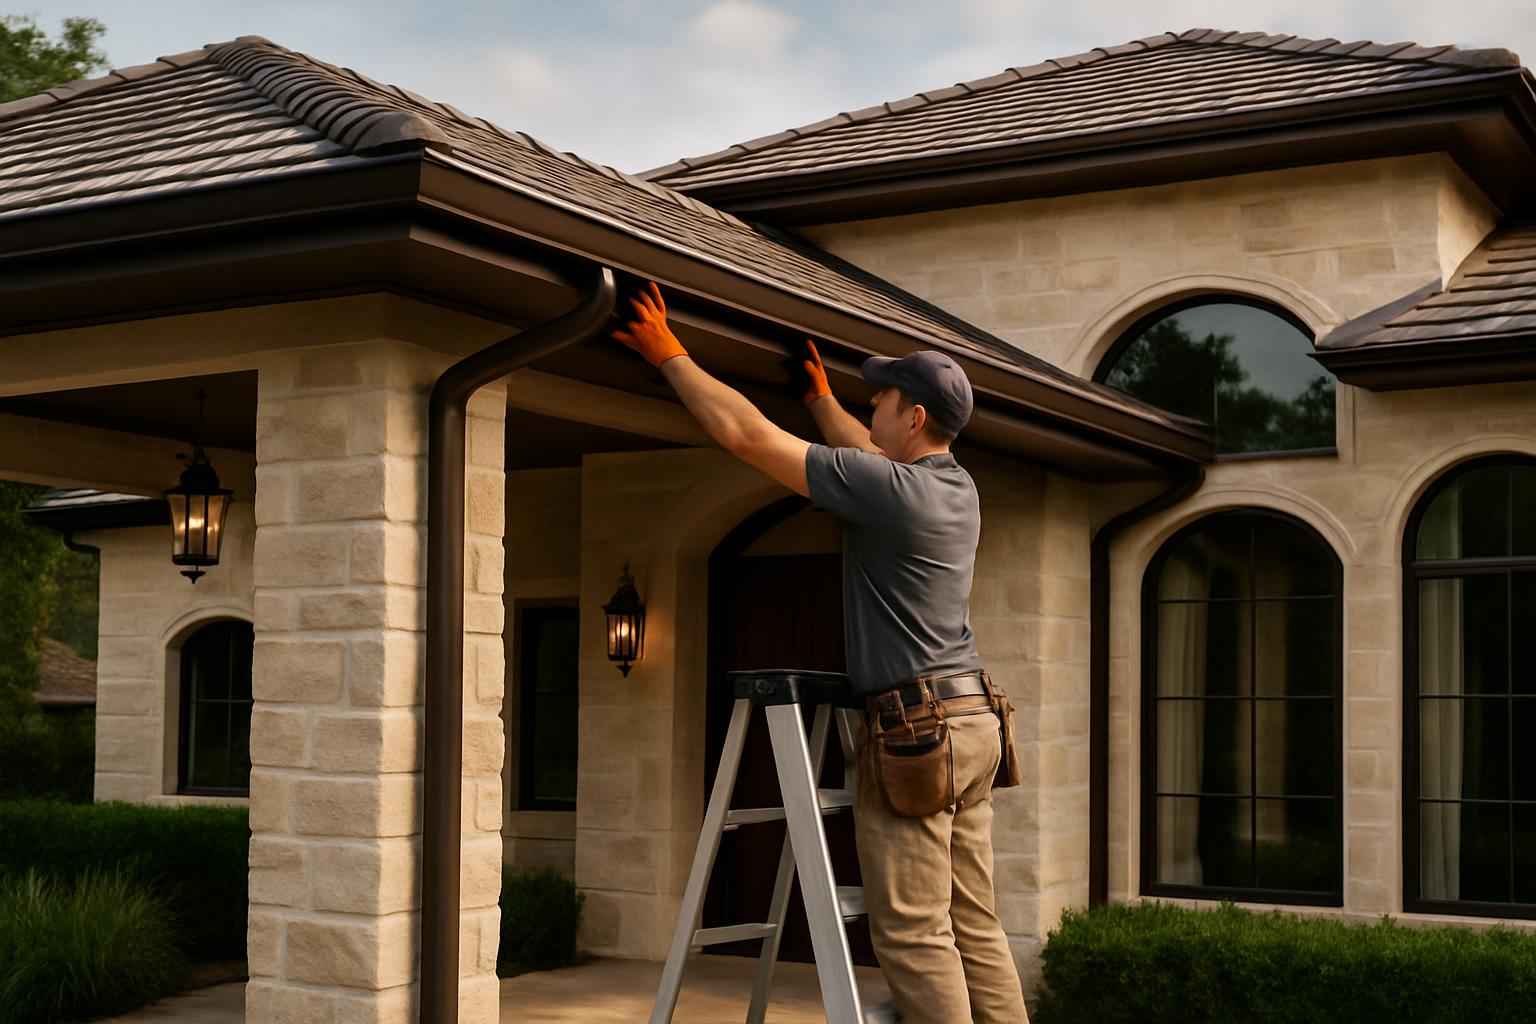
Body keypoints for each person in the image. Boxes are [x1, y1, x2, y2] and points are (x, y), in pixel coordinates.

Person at [613, 281, 1028, 1024]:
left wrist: (670, 354)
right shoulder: (955, 486)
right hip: (973, 722)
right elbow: (864, 449)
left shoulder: (890, 490)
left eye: (883, 400)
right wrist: (820, 401)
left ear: (915, 416)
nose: (873, 409)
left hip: (916, 732)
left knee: (915, 932)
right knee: (974, 920)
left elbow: (747, 436)